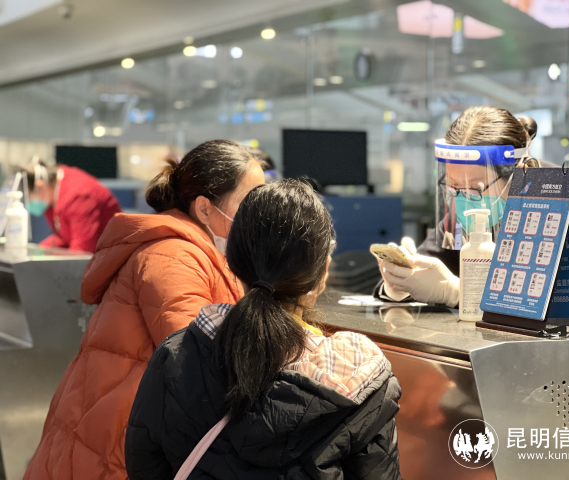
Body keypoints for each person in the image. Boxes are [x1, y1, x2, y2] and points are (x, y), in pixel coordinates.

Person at [125, 180, 402, 479]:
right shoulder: (361, 381)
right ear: (322, 272)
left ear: (234, 263)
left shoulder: (176, 356)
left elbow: (144, 465)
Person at [24, 140, 265, 480]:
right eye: (249, 202)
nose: (258, 214)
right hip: (116, 446)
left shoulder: (200, 251)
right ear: (204, 209)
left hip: (118, 432)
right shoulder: (174, 258)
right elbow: (200, 366)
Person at [376, 106, 569, 336]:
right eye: (453, 187)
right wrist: (400, 282)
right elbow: (422, 272)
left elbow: (561, 320)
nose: (463, 199)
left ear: (517, 174)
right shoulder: (465, 205)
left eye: (475, 187)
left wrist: (457, 293)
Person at [22, 158, 121, 252]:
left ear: (40, 186)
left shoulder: (78, 196)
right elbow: (63, 238)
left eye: (28, 198)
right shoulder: (53, 194)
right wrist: (37, 251)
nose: (28, 204)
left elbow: (82, 254)